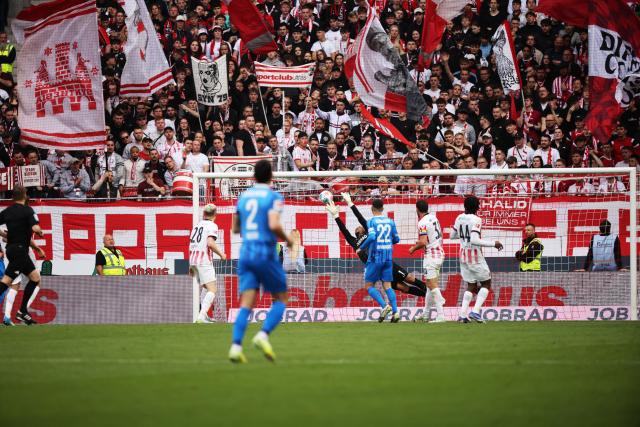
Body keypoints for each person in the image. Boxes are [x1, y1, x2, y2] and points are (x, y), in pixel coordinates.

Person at [229, 160, 294, 363]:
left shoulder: (243, 196)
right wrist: (289, 239)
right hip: (265, 252)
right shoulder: (274, 196)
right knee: (281, 298)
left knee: (246, 304)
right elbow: (274, 224)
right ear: (271, 177)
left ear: (254, 177)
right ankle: (262, 335)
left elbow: (235, 229)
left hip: (246, 252)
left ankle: (235, 347)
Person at [324, 193, 427, 298]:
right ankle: (425, 295)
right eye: (356, 228)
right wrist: (336, 216)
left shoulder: (369, 232)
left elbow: (359, 217)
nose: (358, 227)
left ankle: (426, 288)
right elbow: (343, 230)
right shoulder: (354, 242)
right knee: (403, 288)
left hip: (384, 261)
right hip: (377, 268)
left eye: (360, 227)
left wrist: (350, 203)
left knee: (409, 278)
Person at [450, 195, 503, 323]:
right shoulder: (477, 219)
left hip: (462, 254)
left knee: (471, 284)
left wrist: (464, 238)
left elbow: (452, 236)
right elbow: (474, 240)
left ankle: (463, 315)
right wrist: (493, 243)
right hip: (474, 255)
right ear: (477, 207)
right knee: (486, 283)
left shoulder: (459, 217)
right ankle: (475, 312)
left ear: (465, 206)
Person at [0, 186, 45, 325]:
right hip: (19, 251)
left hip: (14, 250)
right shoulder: (28, 210)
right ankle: (21, 312)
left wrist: (5, 235)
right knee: (7, 281)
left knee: (35, 278)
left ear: (13, 197)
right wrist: (40, 231)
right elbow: (35, 227)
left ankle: (22, 311)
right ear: (25, 195)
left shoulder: (7, 211)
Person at [356, 198, 401, 323]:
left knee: (369, 286)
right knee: (387, 285)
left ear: (372, 209)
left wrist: (361, 247)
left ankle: (384, 306)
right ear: (382, 208)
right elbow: (397, 239)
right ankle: (396, 312)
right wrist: (387, 241)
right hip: (388, 257)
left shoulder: (371, 222)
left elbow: (371, 237)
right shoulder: (390, 222)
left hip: (375, 257)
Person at [408, 200, 446, 323]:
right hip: (439, 252)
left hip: (432, 256)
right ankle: (425, 314)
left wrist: (413, 248)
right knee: (429, 287)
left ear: (417, 209)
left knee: (431, 284)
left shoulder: (422, 222)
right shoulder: (433, 217)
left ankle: (441, 311)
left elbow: (423, 241)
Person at [189, 204, 227, 323]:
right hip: (203, 260)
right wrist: (221, 254)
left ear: (203, 214)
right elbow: (210, 243)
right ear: (215, 215)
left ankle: (202, 314)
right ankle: (201, 316)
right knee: (212, 289)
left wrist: (190, 264)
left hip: (193, 260)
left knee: (206, 287)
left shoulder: (197, 226)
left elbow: (192, 244)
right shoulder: (212, 225)